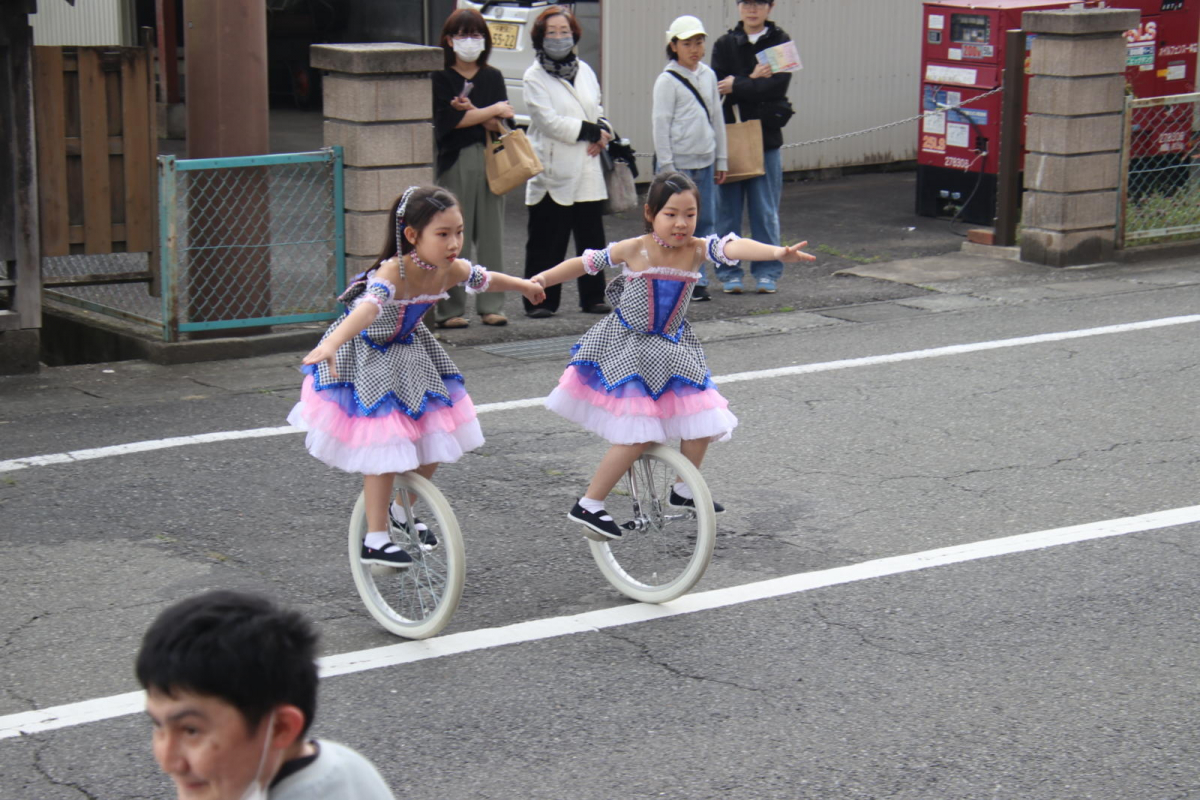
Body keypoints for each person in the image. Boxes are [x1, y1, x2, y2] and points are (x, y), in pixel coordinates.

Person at [530, 172, 814, 539]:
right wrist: (541, 280)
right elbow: (586, 263)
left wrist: (776, 253)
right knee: (638, 435)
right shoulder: (635, 248)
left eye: (690, 214)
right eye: (671, 214)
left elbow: (734, 247)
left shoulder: (696, 249)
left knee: (702, 417)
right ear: (650, 214)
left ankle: (683, 489)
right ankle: (589, 504)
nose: (681, 223)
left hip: (671, 346)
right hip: (629, 346)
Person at [287, 186, 544, 568]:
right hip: (368, 353)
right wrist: (331, 343)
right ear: (412, 235)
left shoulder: (450, 269)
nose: (453, 243)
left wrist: (524, 285)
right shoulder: (394, 271)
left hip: (410, 350)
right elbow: (368, 309)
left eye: (458, 232)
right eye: (442, 234)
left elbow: (484, 279)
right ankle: (375, 538)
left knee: (438, 431)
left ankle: (400, 511)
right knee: (384, 442)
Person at [138, 589, 396, 799]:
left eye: (191, 730)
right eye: (158, 725)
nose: (168, 762)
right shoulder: (345, 765)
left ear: (280, 727)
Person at [521, 4, 612, 319]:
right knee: (547, 240)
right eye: (552, 32)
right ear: (540, 37)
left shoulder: (585, 70)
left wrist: (603, 132)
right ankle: (540, 300)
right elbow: (548, 122)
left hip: (587, 165)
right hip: (553, 169)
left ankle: (593, 297)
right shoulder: (533, 76)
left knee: (591, 240)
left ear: (574, 34)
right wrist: (590, 131)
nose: (559, 37)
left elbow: (596, 108)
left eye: (564, 31)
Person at [431, 8, 515, 329]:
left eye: (477, 34)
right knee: (453, 237)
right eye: (463, 34)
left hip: (491, 158)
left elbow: (502, 123)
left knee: (492, 235)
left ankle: (491, 305)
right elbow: (448, 123)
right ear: (449, 40)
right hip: (456, 160)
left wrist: (475, 113)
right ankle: (450, 308)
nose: (470, 41)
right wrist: (489, 111)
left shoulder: (492, 76)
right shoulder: (440, 77)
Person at [712, 0, 794, 295]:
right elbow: (717, 88)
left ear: (770, 7)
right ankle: (728, 272)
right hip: (731, 140)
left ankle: (767, 272)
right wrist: (753, 79)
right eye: (746, 2)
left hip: (766, 139)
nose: (752, 9)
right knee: (727, 214)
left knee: (765, 212)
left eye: (759, 3)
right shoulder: (724, 44)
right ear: (738, 6)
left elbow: (778, 87)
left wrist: (738, 84)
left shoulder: (781, 41)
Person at [652, 14, 728, 303]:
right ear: (673, 46)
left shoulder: (708, 75)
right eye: (687, 44)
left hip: (705, 161)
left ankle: (697, 278)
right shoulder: (667, 80)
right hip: (678, 165)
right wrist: (667, 167)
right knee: (673, 225)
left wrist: (721, 159)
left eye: (699, 42)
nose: (694, 49)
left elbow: (717, 118)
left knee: (704, 222)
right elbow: (661, 124)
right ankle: (673, 278)